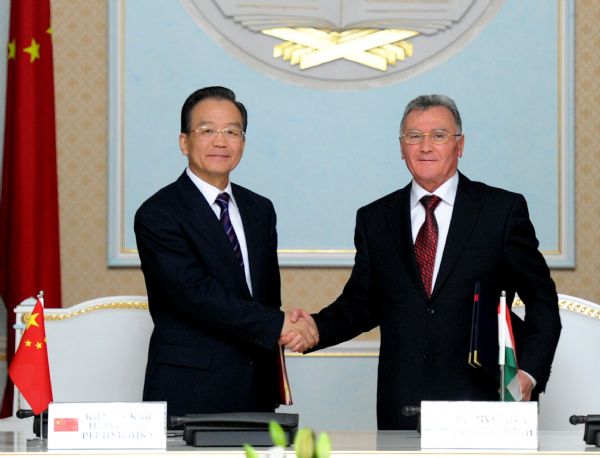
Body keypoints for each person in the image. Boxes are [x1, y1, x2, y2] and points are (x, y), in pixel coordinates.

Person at [289, 94, 561, 430]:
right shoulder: (375, 219)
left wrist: (528, 373)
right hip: (403, 404)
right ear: (402, 148)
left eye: (439, 135)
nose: (425, 146)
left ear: (459, 145)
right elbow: (362, 304)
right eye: (414, 136)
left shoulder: (500, 211)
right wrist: (314, 329)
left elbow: (542, 299)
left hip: (485, 401)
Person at [134, 86, 317, 418]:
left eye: (232, 132)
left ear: (243, 143)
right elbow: (196, 294)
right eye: (207, 131)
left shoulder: (260, 210)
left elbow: (265, 298)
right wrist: (279, 325)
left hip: (257, 389)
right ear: (184, 142)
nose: (221, 141)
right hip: (190, 390)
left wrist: (284, 323)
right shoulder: (159, 213)